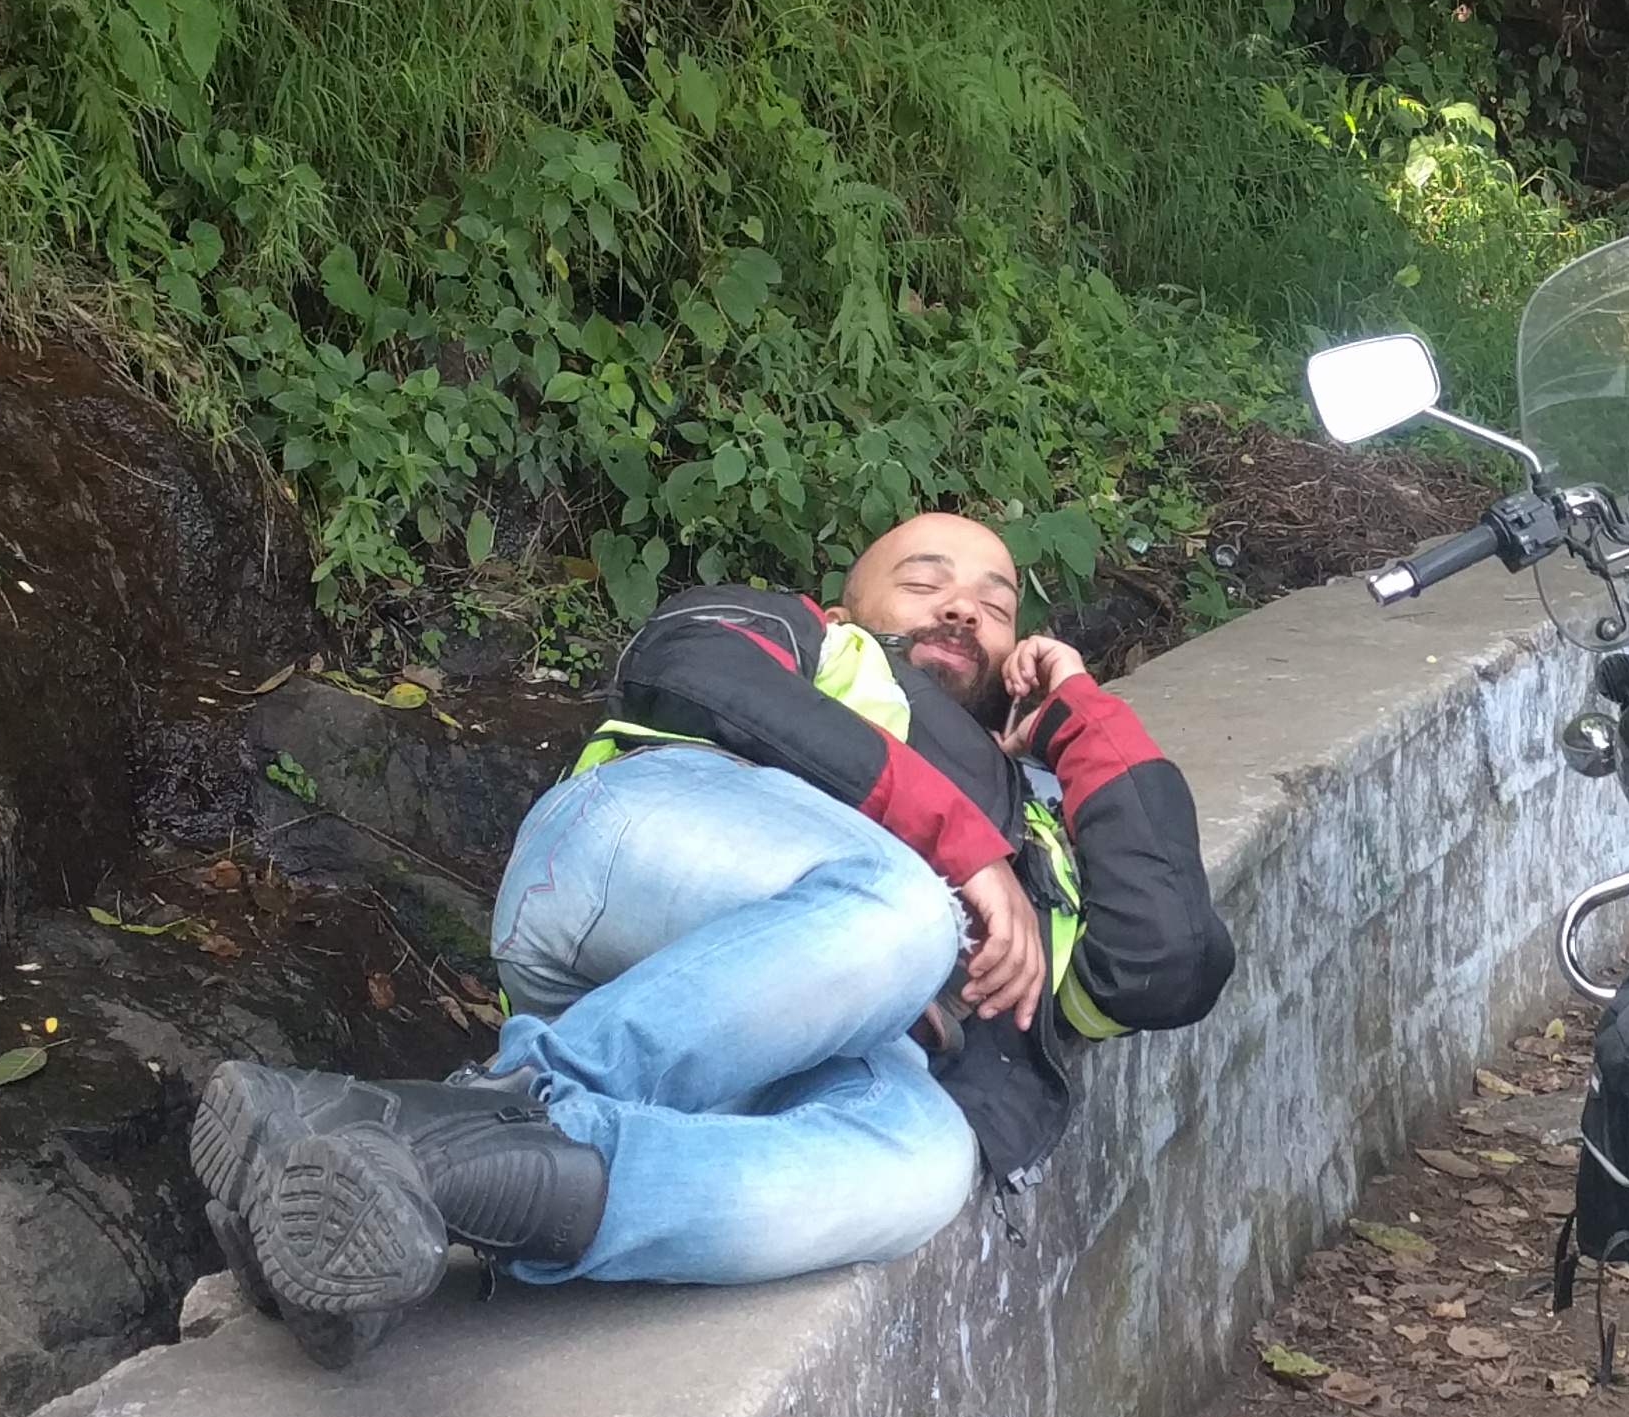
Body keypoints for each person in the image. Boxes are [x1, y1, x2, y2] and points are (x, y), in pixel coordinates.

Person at [191, 512, 1235, 1363]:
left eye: (997, 603)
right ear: (854, 600)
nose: (964, 602)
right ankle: (489, 1113)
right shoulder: (815, 640)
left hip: (792, 1038)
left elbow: (1163, 963)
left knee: (924, 1164)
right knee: (906, 917)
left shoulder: (1038, 822)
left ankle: (426, 1171)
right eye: (925, 581)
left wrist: (1079, 713)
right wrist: (957, 852)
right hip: (630, 856)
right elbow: (684, 666)